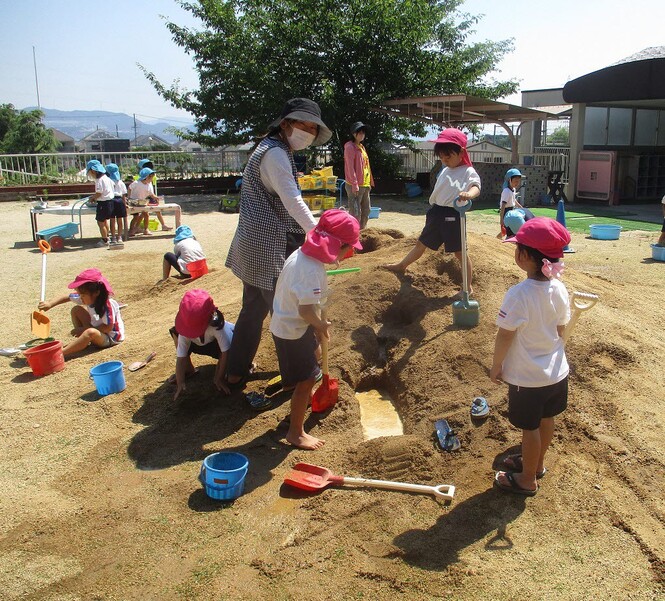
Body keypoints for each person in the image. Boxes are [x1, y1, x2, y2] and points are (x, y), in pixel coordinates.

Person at [225, 97, 332, 388]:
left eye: (313, 128)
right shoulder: (275, 155)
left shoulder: (270, 150)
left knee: (252, 310)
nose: (308, 132)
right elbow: (292, 200)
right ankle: (302, 376)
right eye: (304, 125)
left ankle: (234, 371)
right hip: (268, 245)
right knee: (287, 315)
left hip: (252, 243)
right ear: (285, 124)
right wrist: (319, 232)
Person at [490, 217, 572, 496]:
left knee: (530, 429)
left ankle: (527, 479)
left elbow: (505, 334)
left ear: (525, 257)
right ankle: (536, 465)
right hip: (556, 373)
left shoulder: (518, 294)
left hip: (528, 378)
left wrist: (496, 365)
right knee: (547, 420)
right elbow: (561, 328)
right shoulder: (559, 288)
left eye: (517, 248)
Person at [270, 209, 362, 449]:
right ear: (334, 245)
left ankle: (299, 390)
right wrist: (321, 324)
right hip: (294, 328)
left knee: (313, 356)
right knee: (307, 379)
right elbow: (306, 311)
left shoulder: (302, 256)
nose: (348, 254)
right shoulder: (311, 271)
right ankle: (296, 432)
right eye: (347, 249)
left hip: (286, 323)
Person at [385, 128, 481, 298]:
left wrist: (469, 194)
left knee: (460, 252)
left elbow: (476, 187)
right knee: (421, 244)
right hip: (436, 212)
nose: (445, 161)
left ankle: (468, 287)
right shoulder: (445, 170)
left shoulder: (468, 171)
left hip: (454, 214)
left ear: (461, 152)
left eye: (448, 157)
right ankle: (402, 265)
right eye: (442, 157)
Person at [38, 268, 125, 357]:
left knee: (90, 332)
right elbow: (67, 297)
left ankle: (59, 354)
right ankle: (83, 340)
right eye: (79, 295)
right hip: (97, 330)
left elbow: (107, 328)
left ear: (96, 293)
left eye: (82, 295)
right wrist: (50, 304)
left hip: (110, 338)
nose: (80, 298)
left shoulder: (107, 304)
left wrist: (83, 330)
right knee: (77, 310)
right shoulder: (87, 296)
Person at [169, 289, 234, 401]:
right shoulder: (186, 331)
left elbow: (225, 352)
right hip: (202, 344)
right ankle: (189, 370)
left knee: (232, 373)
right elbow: (180, 357)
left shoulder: (216, 327)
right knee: (176, 332)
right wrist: (180, 382)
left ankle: (243, 364)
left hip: (227, 345)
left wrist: (219, 378)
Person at [344, 121, 374, 229]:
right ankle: (353, 233)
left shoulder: (362, 147)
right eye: (359, 132)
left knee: (367, 209)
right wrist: (354, 184)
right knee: (355, 211)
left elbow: (366, 166)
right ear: (353, 134)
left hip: (365, 184)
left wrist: (370, 182)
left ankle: (362, 231)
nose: (362, 135)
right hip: (355, 185)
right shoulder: (349, 147)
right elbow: (350, 167)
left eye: (363, 133)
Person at [135, 158, 172, 232]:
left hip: (150, 195)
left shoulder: (150, 174)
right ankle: (137, 227)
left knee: (157, 210)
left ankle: (163, 225)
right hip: (145, 196)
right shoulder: (141, 176)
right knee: (144, 213)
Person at [86, 160, 115, 247]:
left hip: (103, 203)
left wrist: (92, 198)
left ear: (93, 171)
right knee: (104, 221)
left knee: (100, 222)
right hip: (110, 202)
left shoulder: (99, 180)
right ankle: (107, 237)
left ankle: (105, 240)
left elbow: (99, 193)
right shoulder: (107, 178)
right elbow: (112, 186)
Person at [128, 167, 161, 236]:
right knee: (136, 217)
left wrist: (156, 198)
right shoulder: (136, 183)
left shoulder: (148, 185)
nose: (152, 179)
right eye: (151, 178)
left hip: (142, 202)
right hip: (134, 202)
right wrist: (129, 197)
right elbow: (129, 188)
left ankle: (146, 229)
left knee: (146, 215)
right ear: (147, 177)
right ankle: (131, 230)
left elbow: (151, 194)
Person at [105, 163, 128, 246]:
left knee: (112, 220)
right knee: (120, 220)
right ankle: (119, 236)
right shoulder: (120, 182)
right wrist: (125, 204)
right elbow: (124, 195)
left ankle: (113, 237)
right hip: (119, 200)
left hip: (111, 200)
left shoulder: (108, 181)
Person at [498, 168, 524, 239]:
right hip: (506, 212)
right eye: (515, 181)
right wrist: (501, 219)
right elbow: (503, 206)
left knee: (508, 229)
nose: (517, 183)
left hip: (511, 211)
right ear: (509, 180)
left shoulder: (513, 190)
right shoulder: (506, 191)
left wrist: (522, 208)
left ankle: (497, 239)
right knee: (510, 231)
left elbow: (514, 201)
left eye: (518, 181)